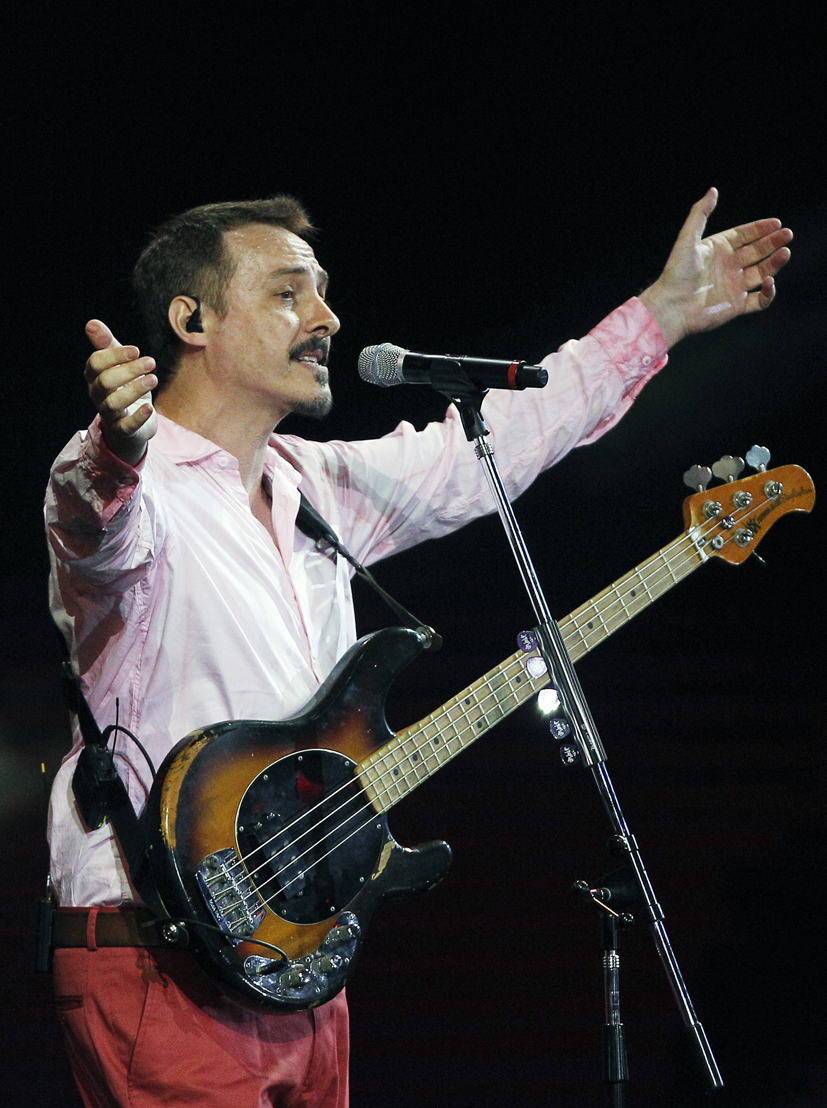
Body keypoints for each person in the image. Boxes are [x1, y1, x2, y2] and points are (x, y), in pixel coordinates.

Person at [44, 189, 791, 1108]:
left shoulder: (317, 487)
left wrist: (665, 313)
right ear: (190, 321)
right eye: (287, 294)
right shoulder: (139, 487)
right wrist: (116, 446)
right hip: (157, 956)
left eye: (323, 292)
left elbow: (500, 445)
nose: (327, 318)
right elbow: (93, 522)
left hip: (299, 954)